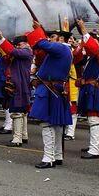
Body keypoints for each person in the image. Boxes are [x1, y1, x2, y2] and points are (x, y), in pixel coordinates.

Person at [27, 23, 73, 169]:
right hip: (53, 88)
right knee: (57, 125)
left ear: (60, 38)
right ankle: (57, 155)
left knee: (46, 123)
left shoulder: (60, 47)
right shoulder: (64, 50)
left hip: (49, 89)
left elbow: (41, 43)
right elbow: (41, 48)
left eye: (52, 37)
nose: (50, 40)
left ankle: (48, 157)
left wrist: (38, 30)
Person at [73, 21, 99, 159]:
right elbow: (76, 57)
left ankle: (94, 149)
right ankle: (96, 146)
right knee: (93, 119)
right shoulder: (91, 56)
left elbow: (92, 46)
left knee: (94, 119)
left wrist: (82, 28)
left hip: (94, 88)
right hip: (89, 88)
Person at [0, 33, 33, 147]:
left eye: (19, 44)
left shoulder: (27, 52)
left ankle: (17, 139)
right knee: (22, 112)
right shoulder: (20, 53)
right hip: (18, 85)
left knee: (18, 112)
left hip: (19, 85)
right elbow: (8, 55)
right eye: (16, 45)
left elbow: (13, 51)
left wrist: (2, 38)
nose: (17, 46)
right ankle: (23, 135)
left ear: (26, 44)